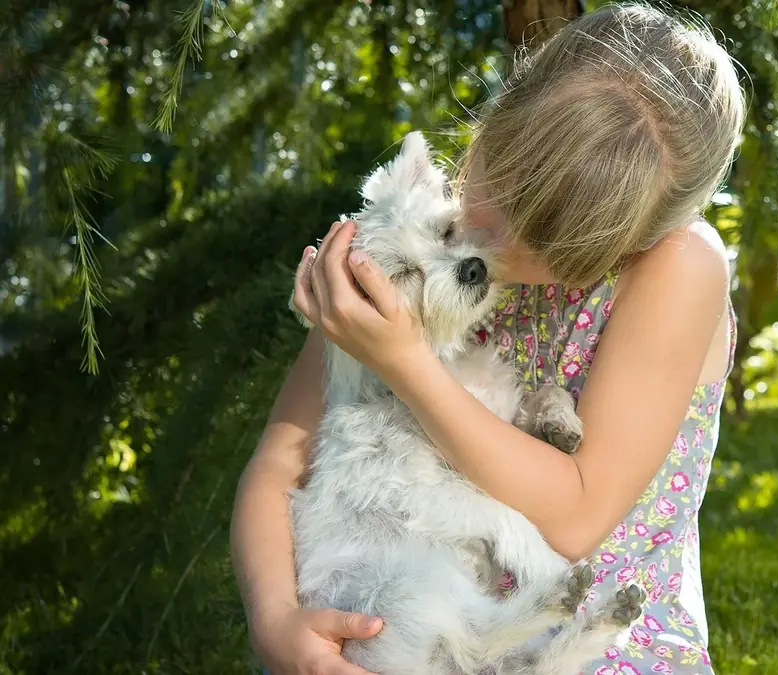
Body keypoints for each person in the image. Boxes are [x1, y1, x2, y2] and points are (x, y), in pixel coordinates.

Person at [230, 4, 746, 674]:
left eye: (547, 241)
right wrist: (275, 617)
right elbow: (280, 464)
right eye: (497, 184)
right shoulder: (420, 234)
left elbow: (577, 513)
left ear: (636, 240)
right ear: (503, 113)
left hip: (597, 648)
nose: (490, 245)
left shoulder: (677, 267)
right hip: (406, 632)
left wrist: (405, 362)